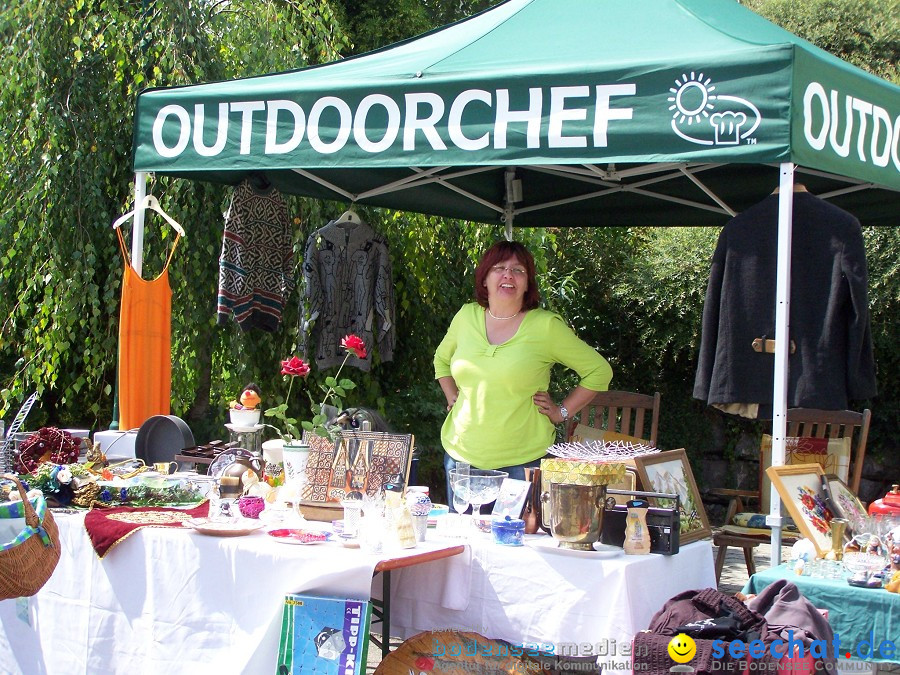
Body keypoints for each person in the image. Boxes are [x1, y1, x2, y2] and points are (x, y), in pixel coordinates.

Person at [434, 240, 613, 508]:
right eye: (499, 268)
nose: (508, 275)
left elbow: (599, 371)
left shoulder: (545, 327)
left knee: (514, 547)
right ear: (484, 278)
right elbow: (441, 360)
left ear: (528, 283)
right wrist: (451, 396)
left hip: (522, 464)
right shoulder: (465, 316)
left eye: (518, 270)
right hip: (461, 458)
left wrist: (561, 412)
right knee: (465, 545)